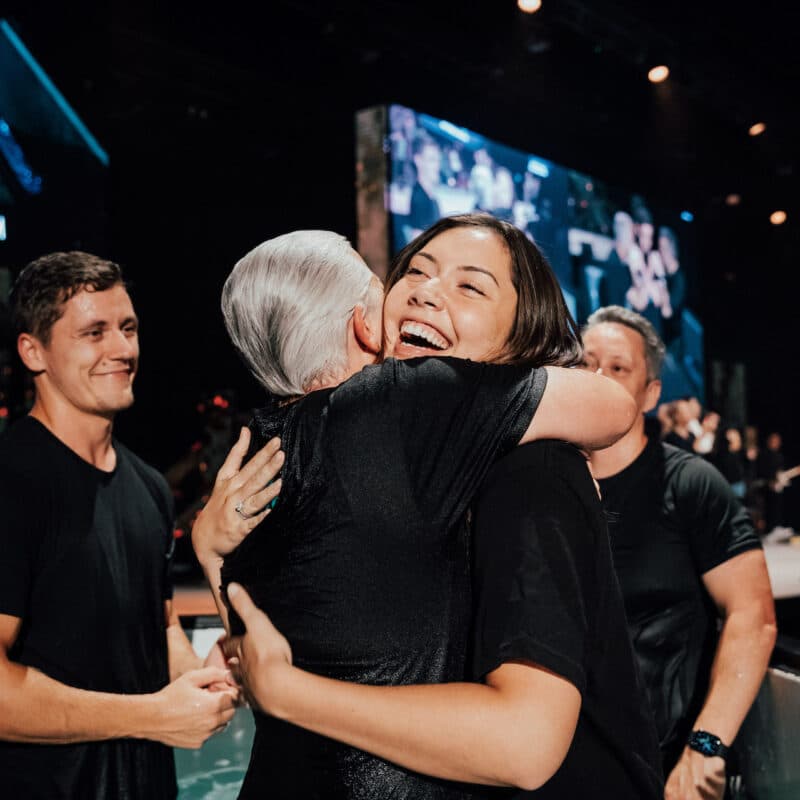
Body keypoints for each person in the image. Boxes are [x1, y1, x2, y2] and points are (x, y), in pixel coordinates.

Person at [194, 217, 661, 798]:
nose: (423, 291)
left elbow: (265, 660)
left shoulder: (263, 458)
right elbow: (613, 407)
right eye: (413, 272)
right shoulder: (400, 410)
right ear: (366, 324)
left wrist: (210, 551)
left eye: (471, 286)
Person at [0, 251, 239, 799]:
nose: (122, 349)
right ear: (33, 351)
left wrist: (205, 677)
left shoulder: (149, 488)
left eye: (128, 328)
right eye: (94, 332)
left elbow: (158, 633)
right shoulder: (13, 482)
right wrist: (151, 717)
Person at [580, 305, 776, 800]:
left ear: (651, 393)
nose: (598, 377)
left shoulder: (688, 483)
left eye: (619, 367)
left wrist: (706, 745)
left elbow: (752, 615)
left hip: (661, 770)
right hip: (558, 768)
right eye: (585, 363)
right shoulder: (541, 483)